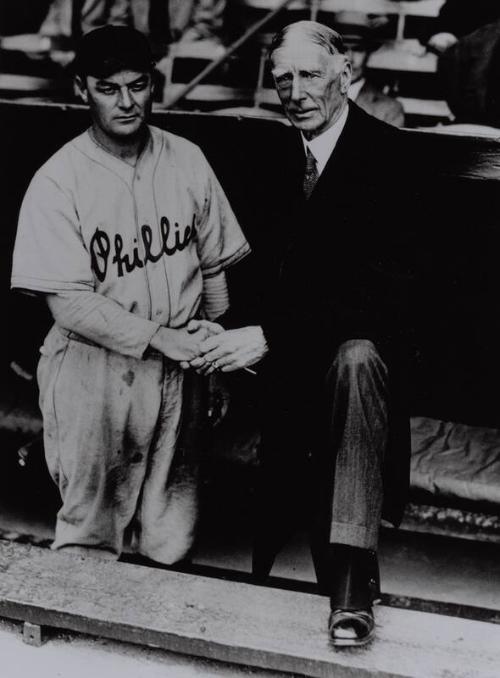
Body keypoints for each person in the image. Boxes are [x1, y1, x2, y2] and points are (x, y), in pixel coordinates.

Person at [187, 20, 413, 646]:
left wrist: (272, 335)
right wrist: (221, 329)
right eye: (282, 79)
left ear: (346, 75)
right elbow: (244, 271)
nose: (295, 90)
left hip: (358, 372)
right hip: (280, 369)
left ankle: (351, 579)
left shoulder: (392, 159)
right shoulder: (268, 158)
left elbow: (386, 302)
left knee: (358, 357)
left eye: (309, 75)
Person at [10, 25, 250, 564]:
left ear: (154, 85)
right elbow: (68, 304)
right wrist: (168, 340)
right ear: (81, 90)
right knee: (90, 529)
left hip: (182, 366)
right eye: (107, 88)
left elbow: (212, 266)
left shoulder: (188, 159)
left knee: (172, 534)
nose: (126, 101)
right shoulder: (58, 181)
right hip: (92, 370)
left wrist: (218, 363)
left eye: (137, 86)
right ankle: (78, 640)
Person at [334, 11, 405, 127]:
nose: (350, 59)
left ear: (368, 54)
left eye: (358, 50)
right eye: (343, 50)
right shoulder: (312, 99)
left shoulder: (389, 109)